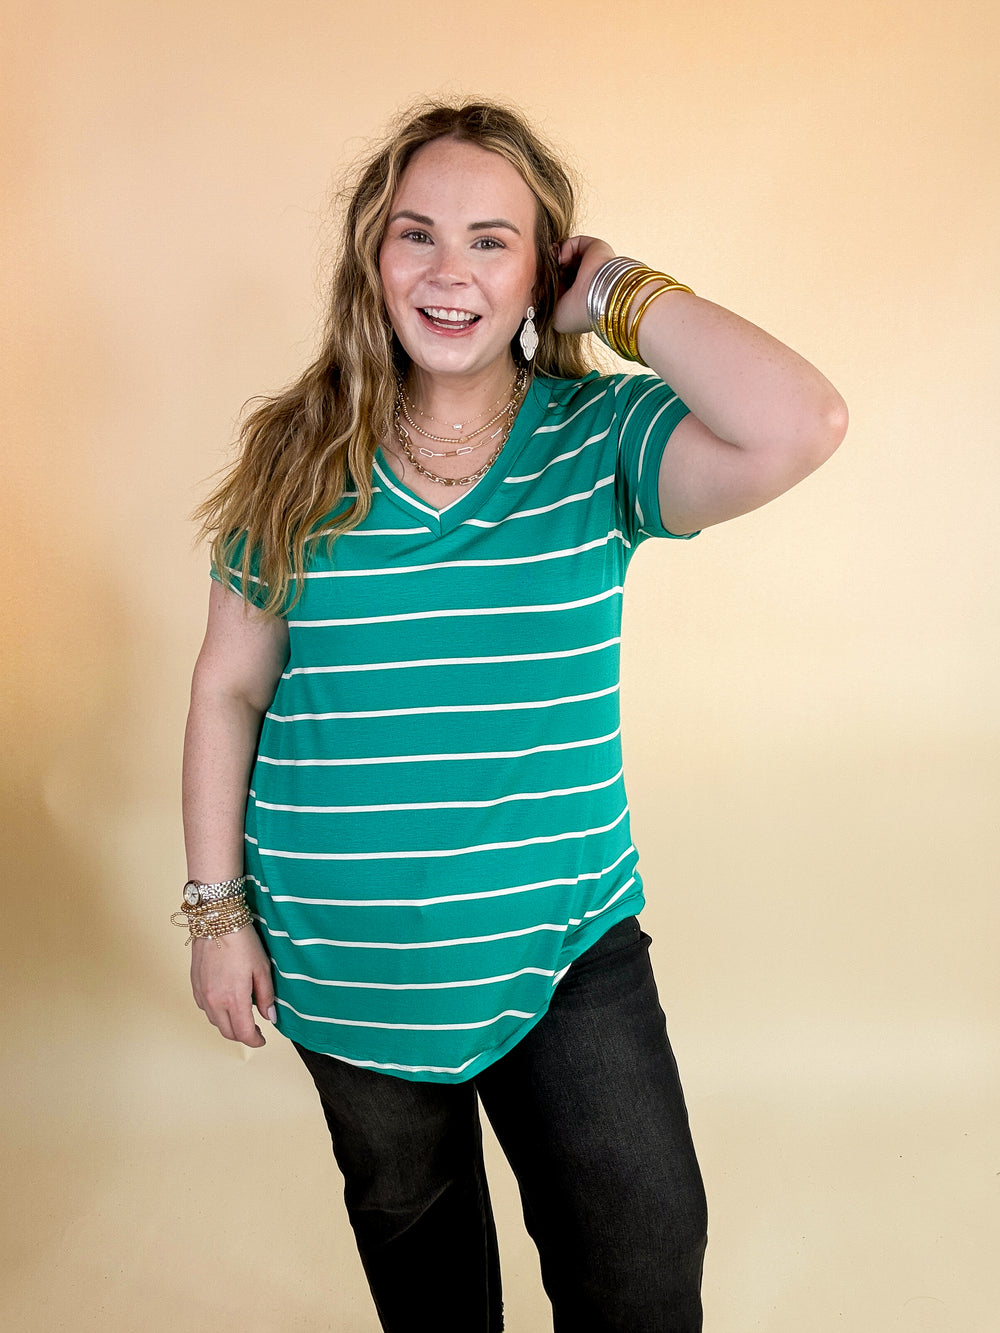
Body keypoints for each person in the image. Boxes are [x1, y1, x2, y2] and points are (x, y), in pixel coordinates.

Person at [178, 100, 847, 1333]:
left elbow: (800, 422)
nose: (450, 271)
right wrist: (217, 913)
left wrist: (621, 293)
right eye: (416, 234)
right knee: (427, 1283)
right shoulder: (295, 452)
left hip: (565, 947)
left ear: (544, 269)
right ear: (372, 258)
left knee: (641, 1277)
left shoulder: (601, 441)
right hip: (347, 960)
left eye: (491, 241)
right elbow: (229, 686)